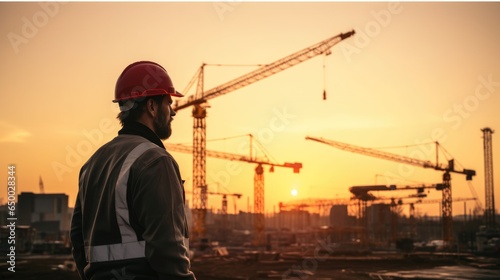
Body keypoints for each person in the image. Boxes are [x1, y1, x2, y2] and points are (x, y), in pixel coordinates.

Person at [70, 61, 196, 280]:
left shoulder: (92, 164)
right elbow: (168, 251)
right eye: (168, 103)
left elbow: (78, 240)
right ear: (152, 106)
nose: (173, 112)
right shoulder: (156, 160)